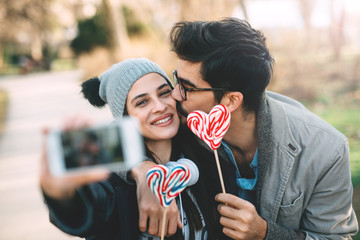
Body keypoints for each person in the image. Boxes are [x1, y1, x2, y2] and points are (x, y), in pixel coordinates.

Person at [130, 18, 359, 239]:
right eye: (176, 80)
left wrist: (266, 234)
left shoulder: (326, 150)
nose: (174, 94)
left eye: (187, 87)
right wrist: (144, 171)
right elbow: (102, 145)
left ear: (230, 101)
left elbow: (335, 238)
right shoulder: (186, 118)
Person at [40, 58, 211, 239]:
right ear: (124, 118)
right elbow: (86, 211)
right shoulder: (113, 178)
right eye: (142, 102)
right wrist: (62, 194)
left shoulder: (204, 149)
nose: (160, 107)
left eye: (164, 93)